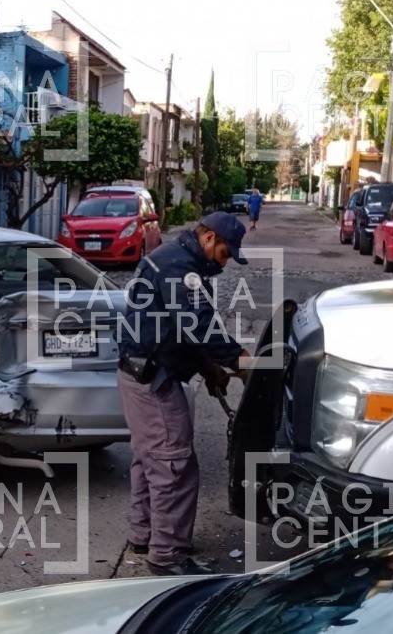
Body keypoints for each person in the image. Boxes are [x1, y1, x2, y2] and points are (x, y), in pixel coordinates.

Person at [117, 211, 253, 576]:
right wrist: (241, 363)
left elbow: (178, 326)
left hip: (141, 373)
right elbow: (199, 325)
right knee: (174, 465)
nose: (225, 264)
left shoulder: (176, 259)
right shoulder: (180, 268)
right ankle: (167, 555)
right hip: (152, 378)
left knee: (150, 459)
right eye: (225, 253)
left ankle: (144, 534)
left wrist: (208, 368)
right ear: (209, 238)